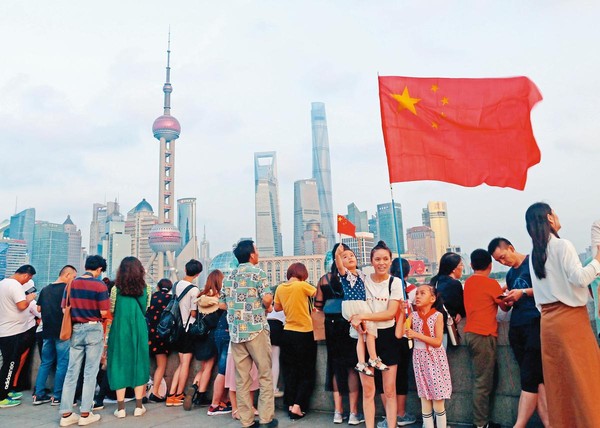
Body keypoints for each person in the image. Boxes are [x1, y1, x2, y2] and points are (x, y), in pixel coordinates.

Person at [525, 202, 600, 427]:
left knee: (559, 384)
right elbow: (580, 278)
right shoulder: (562, 245)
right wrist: (598, 260)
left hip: (548, 323)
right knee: (585, 378)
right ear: (549, 218)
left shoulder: (534, 253)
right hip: (570, 320)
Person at [487, 238, 550, 428]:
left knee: (529, 377)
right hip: (517, 328)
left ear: (511, 248)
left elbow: (548, 289)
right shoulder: (510, 275)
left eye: (503, 257)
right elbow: (506, 309)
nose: (503, 262)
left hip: (535, 323)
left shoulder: (533, 263)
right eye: (498, 261)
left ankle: (519, 425)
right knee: (536, 379)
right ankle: (550, 424)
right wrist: (507, 301)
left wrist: (523, 292)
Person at [218, 239, 278, 428]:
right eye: (257, 250)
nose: (258, 253)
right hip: (256, 329)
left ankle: (247, 421)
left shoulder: (229, 276)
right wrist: (266, 306)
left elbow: (221, 304)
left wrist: (237, 309)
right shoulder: (258, 273)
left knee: (242, 378)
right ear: (252, 254)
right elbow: (267, 297)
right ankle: (267, 419)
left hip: (236, 333)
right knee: (265, 375)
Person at [347, 241, 403, 428]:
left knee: (389, 390)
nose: (381, 263)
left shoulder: (395, 283)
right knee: (368, 390)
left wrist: (362, 315)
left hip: (387, 337)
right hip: (364, 336)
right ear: (371, 261)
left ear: (391, 261)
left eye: (385, 259)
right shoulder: (363, 279)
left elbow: (390, 313)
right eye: (377, 259)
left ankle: (391, 425)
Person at [59, 255, 109, 427]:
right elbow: (104, 313)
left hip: (76, 328)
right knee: (90, 372)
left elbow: (64, 308)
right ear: (99, 269)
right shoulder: (100, 285)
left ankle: (66, 414)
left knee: (72, 371)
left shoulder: (71, 284)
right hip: (93, 329)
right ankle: (85, 414)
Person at [314, 243, 361, 425]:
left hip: (331, 326)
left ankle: (337, 411)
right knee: (352, 368)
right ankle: (354, 412)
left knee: (334, 368)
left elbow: (318, 306)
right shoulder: (354, 278)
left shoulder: (325, 279)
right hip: (350, 324)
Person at [397, 284, 451, 428]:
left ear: (432, 298)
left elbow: (437, 341)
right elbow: (400, 333)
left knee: (438, 401)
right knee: (424, 400)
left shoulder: (438, 316)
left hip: (435, 359)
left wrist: (416, 335)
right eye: (417, 293)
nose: (418, 296)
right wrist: (402, 312)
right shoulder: (413, 316)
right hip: (419, 359)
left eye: (422, 293)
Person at [463, 249, 506, 428]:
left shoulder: (469, 282)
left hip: (470, 334)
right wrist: (505, 293)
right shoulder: (492, 284)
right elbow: (504, 306)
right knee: (483, 382)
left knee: (486, 378)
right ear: (491, 265)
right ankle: (481, 424)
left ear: (471, 265)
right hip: (484, 335)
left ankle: (484, 421)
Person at [107, 256, 150, 418]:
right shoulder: (146, 288)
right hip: (138, 327)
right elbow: (145, 308)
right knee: (140, 362)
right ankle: (139, 406)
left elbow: (112, 309)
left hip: (119, 328)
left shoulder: (115, 289)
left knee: (119, 363)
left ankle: (121, 408)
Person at [335, 243, 388, 376]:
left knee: (361, 335)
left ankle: (361, 363)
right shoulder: (346, 274)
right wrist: (337, 255)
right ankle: (373, 359)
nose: (350, 258)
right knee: (370, 331)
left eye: (352, 255)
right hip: (356, 306)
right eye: (345, 257)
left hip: (356, 306)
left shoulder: (360, 274)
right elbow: (339, 266)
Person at [274, 262, 317, 419]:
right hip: (305, 333)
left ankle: (291, 404)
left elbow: (277, 308)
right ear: (302, 274)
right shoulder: (302, 285)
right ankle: (298, 406)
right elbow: (318, 294)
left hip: (287, 333)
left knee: (290, 372)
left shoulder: (280, 288)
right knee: (307, 372)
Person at [33, 265, 78, 406]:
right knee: (62, 364)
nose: (74, 280)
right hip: (62, 333)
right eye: (74, 277)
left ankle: (38, 394)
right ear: (67, 275)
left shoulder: (45, 289)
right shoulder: (67, 290)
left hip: (46, 332)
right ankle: (57, 396)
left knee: (45, 363)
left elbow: (38, 308)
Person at [383, 258, 416, 427]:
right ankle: (401, 413)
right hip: (404, 336)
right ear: (408, 272)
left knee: (383, 376)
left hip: (385, 335)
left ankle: (388, 417)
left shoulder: (384, 287)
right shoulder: (412, 290)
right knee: (401, 375)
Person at [185, 269, 224, 410]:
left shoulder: (201, 296)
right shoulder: (219, 300)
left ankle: (194, 386)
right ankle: (200, 396)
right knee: (209, 367)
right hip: (212, 335)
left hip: (200, 336)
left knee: (202, 367)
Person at [165, 259, 202, 407]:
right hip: (188, 329)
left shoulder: (176, 285)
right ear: (198, 273)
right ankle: (178, 394)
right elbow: (193, 314)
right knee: (185, 364)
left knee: (181, 363)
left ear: (186, 270)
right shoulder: (194, 290)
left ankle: (171, 395)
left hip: (177, 328)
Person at [0, 264, 37, 408]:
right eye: (28, 279)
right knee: (10, 365)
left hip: (6, 330)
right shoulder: (14, 285)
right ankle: (2, 397)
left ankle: (6, 390)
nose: (26, 282)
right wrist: (30, 298)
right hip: (12, 332)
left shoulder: (3, 283)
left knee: (9, 363)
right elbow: (21, 305)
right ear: (26, 275)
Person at [430, 252, 465, 348]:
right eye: (461, 265)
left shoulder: (434, 281)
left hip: (430, 324)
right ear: (454, 269)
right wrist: (460, 313)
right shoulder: (454, 284)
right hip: (442, 328)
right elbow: (460, 304)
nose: (463, 267)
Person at [146, 278, 173, 402]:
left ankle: (141, 394)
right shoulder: (170, 299)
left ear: (157, 287)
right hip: (162, 336)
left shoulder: (150, 297)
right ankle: (155, 392)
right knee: (161, 365)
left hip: (148, 335)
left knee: (143, 364)